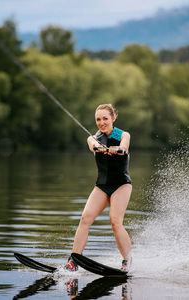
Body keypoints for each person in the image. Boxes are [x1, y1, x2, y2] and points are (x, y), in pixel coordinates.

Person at [65, 104, 132, 272]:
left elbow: (124, 146)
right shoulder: (94, 138)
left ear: (113, 119)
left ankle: (127, 261)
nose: (101, 122)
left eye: (105, 119)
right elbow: (91, 144)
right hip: (102, 186)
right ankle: (73, 260)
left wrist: (118, 150)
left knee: (115, 221)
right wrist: (98, 147)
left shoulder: (123, 135)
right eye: (98, 119)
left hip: (121, 185)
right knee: (85, 218)